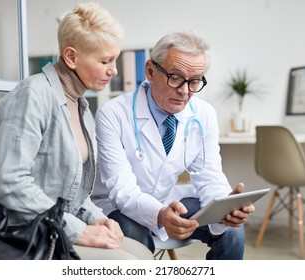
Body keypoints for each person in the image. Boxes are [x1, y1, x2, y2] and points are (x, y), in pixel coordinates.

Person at [0, 2, 152, 260]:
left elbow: (72, 193)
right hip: (16, 228)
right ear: (71, 57)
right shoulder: (32, 96)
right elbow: (10, 184)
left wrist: (96, 218)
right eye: (105, 60)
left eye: (114, 59)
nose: (113, 70)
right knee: (126, 262)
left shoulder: (81, 106)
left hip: (51, 223)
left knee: (140, 251)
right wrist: (77, 230)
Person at [91, 30, 255, 259]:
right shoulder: (112, 114)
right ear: (150, 71)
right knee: (134, 237)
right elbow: (122, 190)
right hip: (117, 206)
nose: (185, 91)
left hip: (167, 201)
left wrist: (227, 208)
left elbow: (209, 176)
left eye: (195, 81)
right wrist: (159, 214)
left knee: (232, 231)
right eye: (175, 77)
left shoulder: (203, 114)